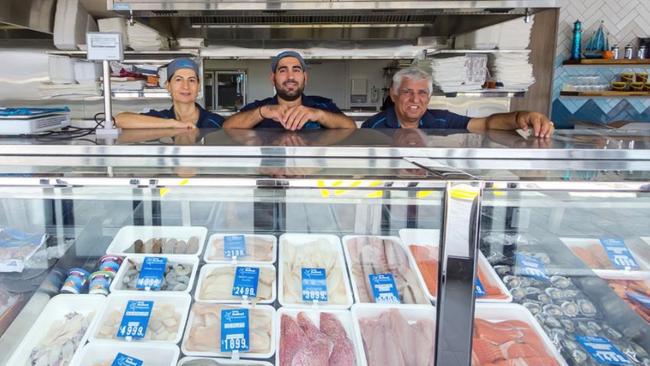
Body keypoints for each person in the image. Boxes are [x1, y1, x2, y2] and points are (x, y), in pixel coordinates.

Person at [362, 67, 555, 138]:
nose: (415, 99)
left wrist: (522, 117)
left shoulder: (441, 120)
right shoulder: (373, 126)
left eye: (422, 92)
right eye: (407, 92)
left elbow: (486, 123)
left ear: (429, 97)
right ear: (393, 95)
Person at [223, 51, 355, 130]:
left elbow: (351, 126)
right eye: (283, 70)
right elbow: (227, 126)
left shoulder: (322, 105)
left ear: (305, 78)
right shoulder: (260, 107)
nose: (290, 76)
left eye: (296, 70)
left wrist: (319, 115)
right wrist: (262, 113)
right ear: (273, 79)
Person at [115, 58, 224, 129]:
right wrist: (173, 124)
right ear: (168, 86)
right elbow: (120, 120)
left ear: (198, 87)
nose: (185, 86)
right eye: (178, 80)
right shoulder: (162, 117)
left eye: (191, 80)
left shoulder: (213, 121)